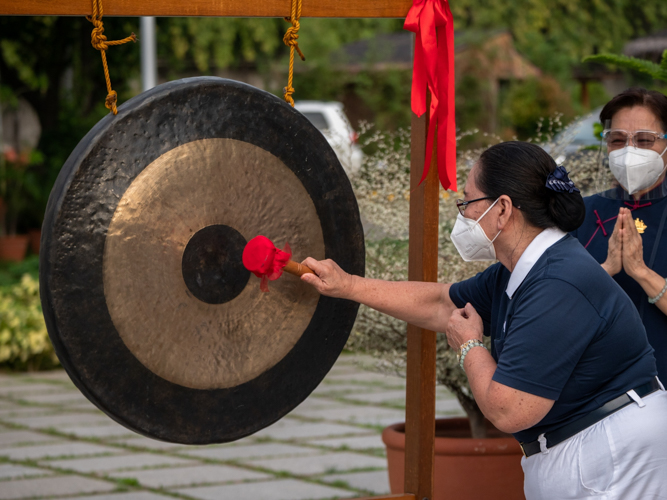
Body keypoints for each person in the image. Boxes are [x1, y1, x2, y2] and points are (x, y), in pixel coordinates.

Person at [300, 141, 666, 499]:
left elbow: (510, 409)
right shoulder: (519, 269)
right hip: (581, 446)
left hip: (611, 453)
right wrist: (348, 285)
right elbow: (442, 304)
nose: (463, 216)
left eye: (468, 203)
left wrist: (470, 346)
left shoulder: (557, 281)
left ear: (503, 209)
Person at [571, 88, 667, 382]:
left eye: (644, 140)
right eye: (617, 140)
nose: (629, 151)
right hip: (597, 397)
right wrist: (606, 270)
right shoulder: (580, 214)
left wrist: (641, 273)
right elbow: (555, 302)